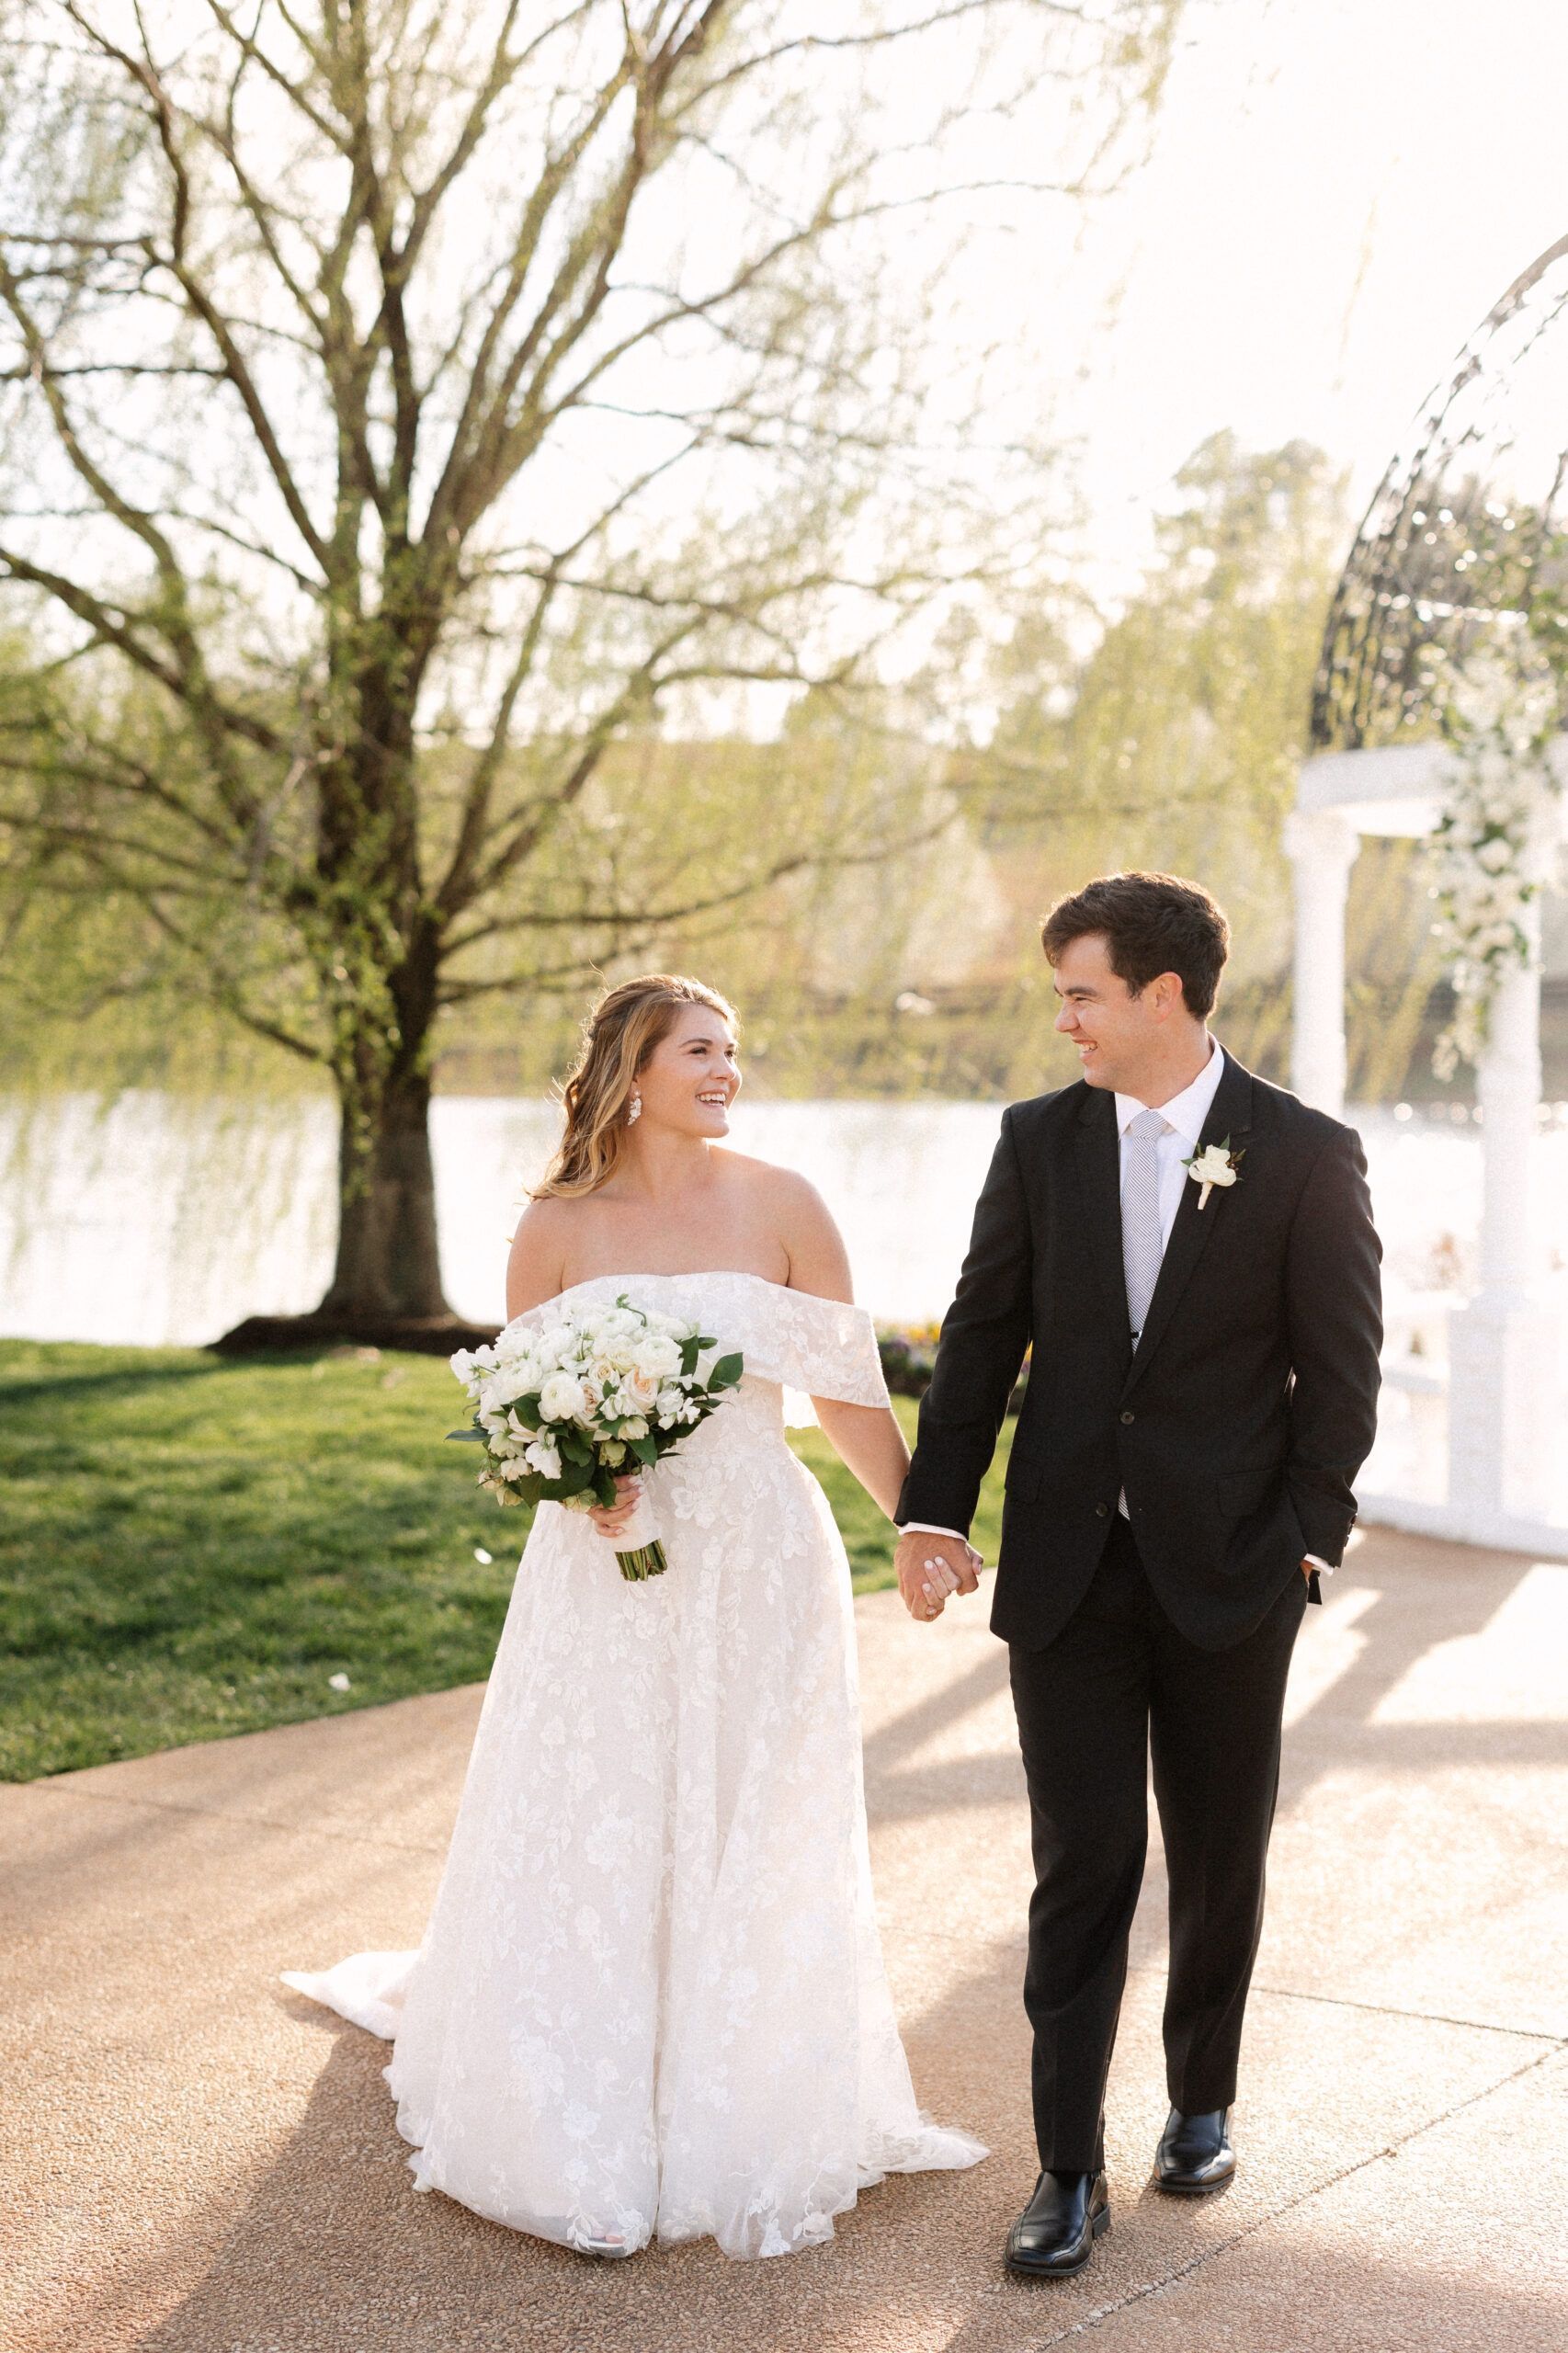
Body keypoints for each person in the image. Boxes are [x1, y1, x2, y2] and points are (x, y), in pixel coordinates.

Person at [284, 973, 984, 2260]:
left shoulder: (785, 1203)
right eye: (700, 1051)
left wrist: (919, 1524)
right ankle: (575, 2101)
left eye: (734, 1050)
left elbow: (843, 1395)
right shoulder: (556, 1224)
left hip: (761, 1553)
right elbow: (521, 1407)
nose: (726, 1071)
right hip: (598, 1561)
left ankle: (743, 2087)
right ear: (632, 1068)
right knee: (598, 1797)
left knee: (749, 1800)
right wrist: (580, 1479)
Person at [893, 872, 1381, 2280]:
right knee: (1081, 1861)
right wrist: (935, 1511)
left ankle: (1199, 2102)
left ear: (1161, 995)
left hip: (1231, 1567)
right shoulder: (1036, 1142)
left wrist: (1306, 1530)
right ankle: (1064, 2169)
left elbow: (1337, 1374)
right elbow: (979, 1340)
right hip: (1064, 1570)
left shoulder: (1300, 1150)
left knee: (1220, 1851)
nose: (1064, 1022)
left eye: (1081, 994)